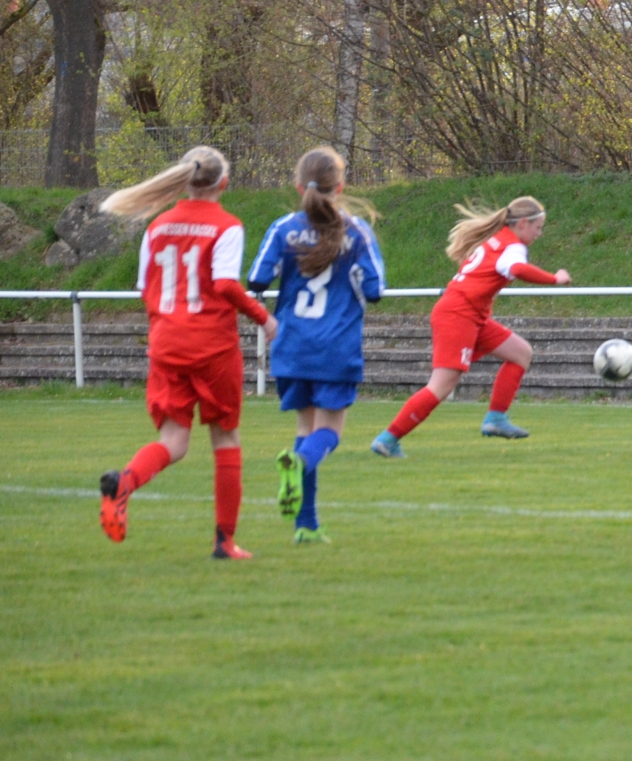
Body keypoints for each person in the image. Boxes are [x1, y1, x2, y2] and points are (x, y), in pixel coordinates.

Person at [97, 147, 278, 559]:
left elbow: (147, 289)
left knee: (173, 441)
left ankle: (125, 482)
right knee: (225, 438)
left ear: (184, 179)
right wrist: (265, 320)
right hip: (211, 345)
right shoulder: (227, 226)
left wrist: (165, 324)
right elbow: (227, 285)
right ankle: (224, 542)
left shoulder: (158, 225)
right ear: (224, 183)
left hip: (166, 342)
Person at [247, 147, 385, 544]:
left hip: (292, 347)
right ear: (340, 187)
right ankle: (300, 465)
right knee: (328, 434)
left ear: (297, 185)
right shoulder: (355, 230)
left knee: (306, 428)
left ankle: (305, 525)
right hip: (335, 348)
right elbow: (375, 290)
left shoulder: (283, 227)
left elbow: (257, 281)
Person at [370, 197, 569, 456]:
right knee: (441, 385)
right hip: (459, 314)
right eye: (538, 228)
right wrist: (555, 279)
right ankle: (388, 439)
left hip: (471, 314)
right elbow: (517, 268)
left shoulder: (498, 240)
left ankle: (496, 419)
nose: (539, 234)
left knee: (520, 353)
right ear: (522, 224)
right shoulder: (512, 247)